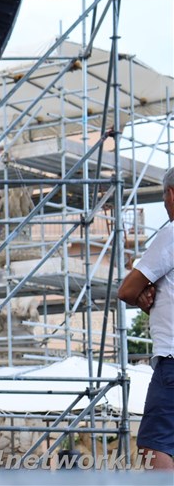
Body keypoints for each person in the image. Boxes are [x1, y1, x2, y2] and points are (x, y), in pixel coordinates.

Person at [118, 166, 174, 471]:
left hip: (172, 358)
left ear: (170, 194)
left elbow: (127, 290)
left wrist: (142, 295)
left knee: (154, 445)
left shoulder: (171, 234)